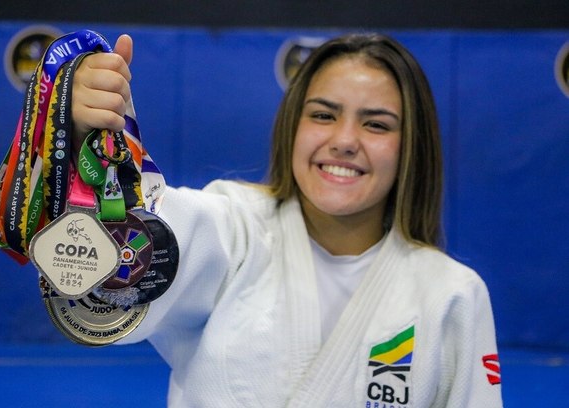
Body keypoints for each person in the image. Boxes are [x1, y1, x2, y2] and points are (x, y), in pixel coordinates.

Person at [71, 32, 503, 407]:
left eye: (376, 125)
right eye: (323, 115)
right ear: (292, 127)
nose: (345, 141)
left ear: (411, 147)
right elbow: (128, 248)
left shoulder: (452, 296)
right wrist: (93, 150)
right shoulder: (233, 228)